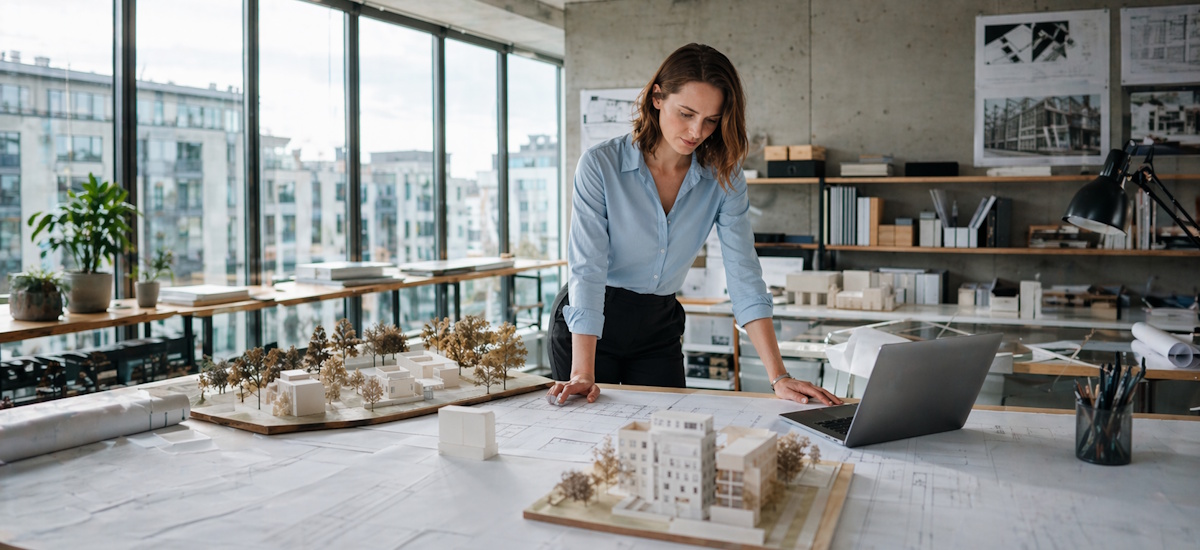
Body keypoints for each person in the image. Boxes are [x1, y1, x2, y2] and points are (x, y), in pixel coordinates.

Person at [546, 43, 841, 408]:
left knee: (668, 438)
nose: (696, 131)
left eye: (710, 120)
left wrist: (778, 377)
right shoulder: (600, 165)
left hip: (659, 327)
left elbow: (744, 274)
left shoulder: (723, 175)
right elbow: (587, 269)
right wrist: (582, 374)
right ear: (657, 97)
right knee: (592, 441)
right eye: (685, 113)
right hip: (589, 324)